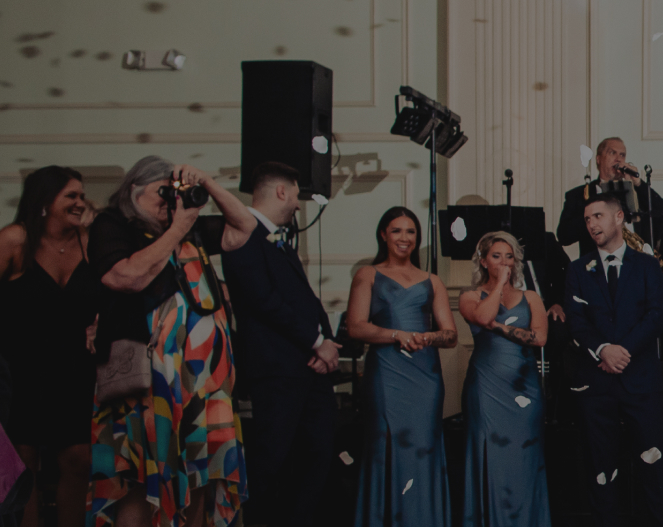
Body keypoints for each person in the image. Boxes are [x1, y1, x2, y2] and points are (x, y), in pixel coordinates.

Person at [88, 156, 256, 527]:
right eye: (161, 192)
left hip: (203, 381)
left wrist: (207, 185)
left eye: (174, 192)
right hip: (145, 376)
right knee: (137, 472)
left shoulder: (187, 227)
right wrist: (177, 229)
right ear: (133, 190)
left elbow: (245, 226)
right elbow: (125, 277)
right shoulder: (113, 224)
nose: (170, 201)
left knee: (201, 471)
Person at [218, 162, 340, 527]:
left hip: (309, 367)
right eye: (296, 195)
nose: (299, 206)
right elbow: (265, 300)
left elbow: (303, 298)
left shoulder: (280, 238)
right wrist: (317, 342)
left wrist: (326, 343)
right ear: (282, 191)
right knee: (273, 461)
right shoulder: (242, 236)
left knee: (316, 456)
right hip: (277, 371)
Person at [562, 195, 663, 527]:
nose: (592, 224)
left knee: (654, 470)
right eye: (587, 219)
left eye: (598, 215)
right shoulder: (578, 269)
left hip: (640, 382)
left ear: (619, 217)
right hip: (596, 385)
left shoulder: (647, 265)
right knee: (600, 469)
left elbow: (656, 317)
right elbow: (576, 321)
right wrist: (602, 350)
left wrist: (619, 352)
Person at [346, 206, 457, 527]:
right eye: (397, 231)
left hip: (425, 379)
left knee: (423, 451)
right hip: (387, 376)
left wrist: (428, 337)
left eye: (410, 232)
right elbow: (356, 327)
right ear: (383, 234)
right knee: (386, 450)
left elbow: (450, 335)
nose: (404, 238)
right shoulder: (367, 274)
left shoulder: (431, 280)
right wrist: (396, 334)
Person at [0, 166, 95, 527]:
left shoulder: (88, 241)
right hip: (22, 370)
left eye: (82, 196)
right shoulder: (15, 239)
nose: (79, 202)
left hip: (75, 370)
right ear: (44, 201)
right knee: (24, 468)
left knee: (78, 460)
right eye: (71, 195)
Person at [458, 232, 550, 527]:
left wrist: (499, 325)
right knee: (491, 460)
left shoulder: (531, 297)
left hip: (524, 389)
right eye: (497, 256)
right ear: (484, 261)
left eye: (509, 256)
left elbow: (539, 338)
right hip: (486, 388)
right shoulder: (469, 296)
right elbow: (483, 319)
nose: (504, 262)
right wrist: (498, 285)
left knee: (523, 463)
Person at [557, 138, 663, 256]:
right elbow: (564, 236)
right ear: (598, 159)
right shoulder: (578, 195)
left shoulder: (637, 192)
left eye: (622, 155)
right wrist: (592, 215)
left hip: (635, 263)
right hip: (598, 267)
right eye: (612, 153)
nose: (618, 159)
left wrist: (638, 183)